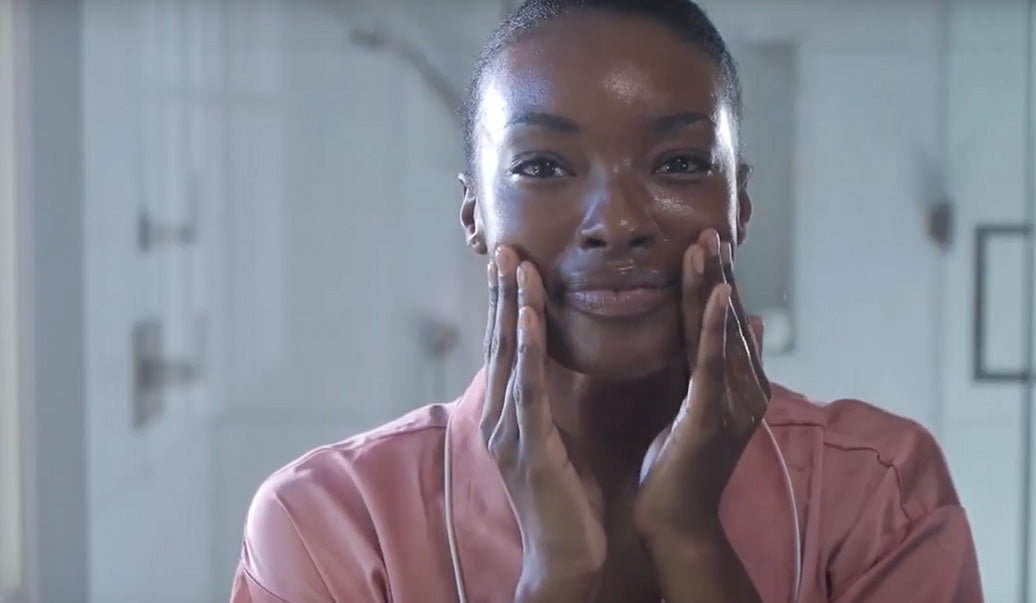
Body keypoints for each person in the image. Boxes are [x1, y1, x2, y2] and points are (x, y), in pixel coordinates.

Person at [229, 0, 984, 601]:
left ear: (739, 204)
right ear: (474, 215)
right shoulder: (328, 527)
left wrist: (691, 542)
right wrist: (553, 579)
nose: (616, 222)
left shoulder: (882, 494)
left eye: (681, 161)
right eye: (545, 165)